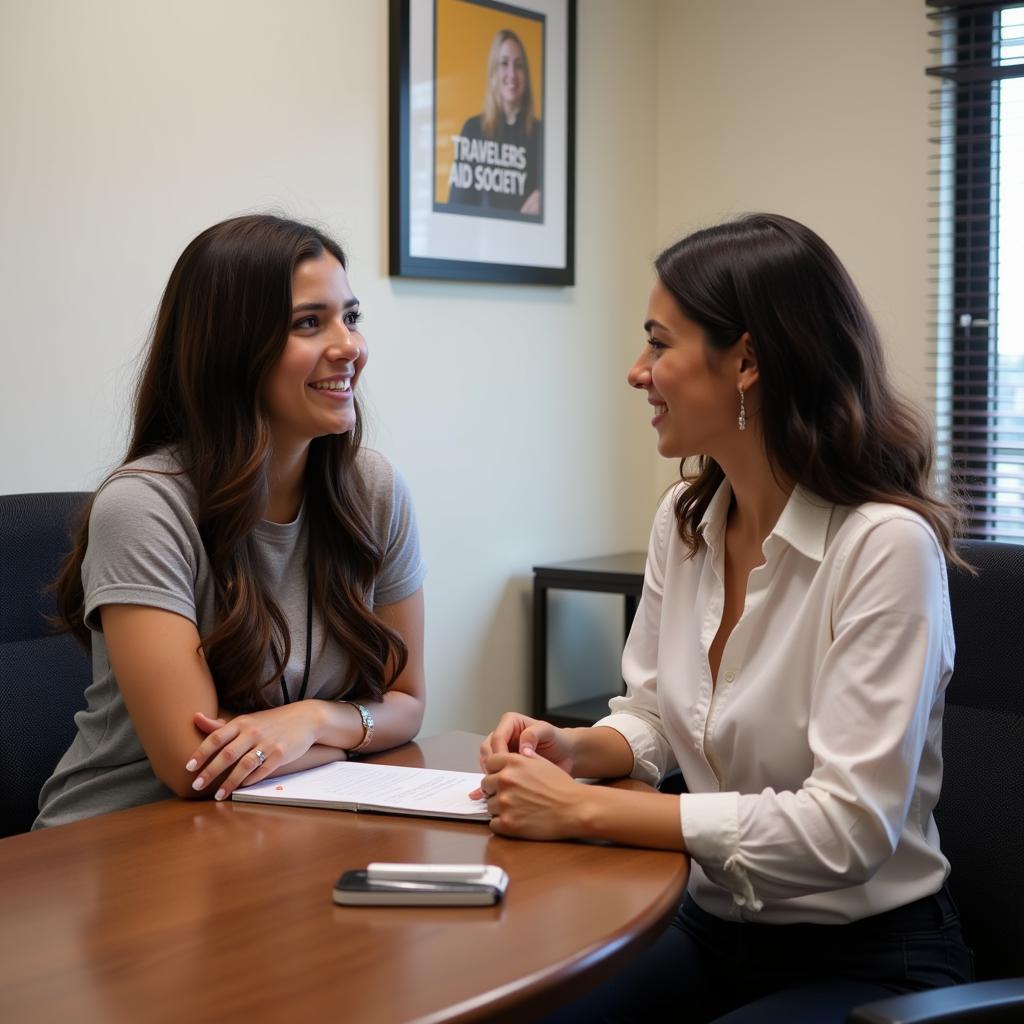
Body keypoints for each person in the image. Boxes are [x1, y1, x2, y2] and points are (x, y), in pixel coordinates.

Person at [474, 214, 974, 1022]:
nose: (638, 372)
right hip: (709, 933)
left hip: (871, 961)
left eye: (659, 344)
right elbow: (653, 717)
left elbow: (847, 828)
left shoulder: (885, 548)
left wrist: (586, 809)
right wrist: (573, 750)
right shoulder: (687, 516)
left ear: (746, 361)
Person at [35, 214, 426, 829]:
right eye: (308, 322)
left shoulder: (373, 490)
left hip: (277, 826)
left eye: (350, 317)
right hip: (121, 839)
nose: (349, 346)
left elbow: (407, 703)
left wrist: (313, 721)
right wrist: (354, 729)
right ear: (231, 349)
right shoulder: (144, 507)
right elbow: (195, 765)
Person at [447, 28, 542, 218]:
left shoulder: (543, 135)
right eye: (504, 64)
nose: (512, 74)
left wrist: (546, 198)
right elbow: (457, 208)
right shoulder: (473, 130)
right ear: (492, 73)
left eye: (519, 65)